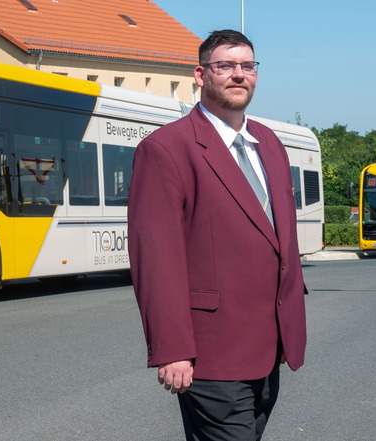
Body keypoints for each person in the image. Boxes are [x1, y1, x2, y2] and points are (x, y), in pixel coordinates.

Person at [128, 29, 308, 440]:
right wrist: (172, 349)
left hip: (268, 346)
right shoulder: (167, 150)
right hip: (212, 352)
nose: (238, 75)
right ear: (200, 74)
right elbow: (157, 260)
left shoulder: (270, 144)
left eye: (247, 66)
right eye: (225, 65)